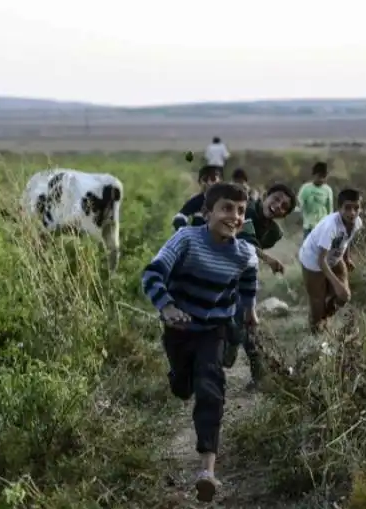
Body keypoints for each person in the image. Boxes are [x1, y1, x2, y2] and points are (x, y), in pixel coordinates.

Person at [142, 182, 259, 502]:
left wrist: (249, 310)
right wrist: (167, 306)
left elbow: (250, 278)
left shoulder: (243, 252)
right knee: (183, 386)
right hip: (178, 327)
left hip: (213, 329)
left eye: (240, 211)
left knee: (211, 387)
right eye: (226, 208)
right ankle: (180, 377)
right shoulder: (186, 240)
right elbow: (151, 274)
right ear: (207, 213)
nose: (234, 216)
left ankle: (207, 469)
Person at [224, 183, 296, 390]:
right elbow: (246, 243)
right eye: (275, 199)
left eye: (284, 206)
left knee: (248, 325)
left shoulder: (273, 232)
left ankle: (258, 375)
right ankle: (224, 353)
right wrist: (269, 260)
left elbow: (251, 251)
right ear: (265, 196)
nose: (277, 206)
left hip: (241, 275)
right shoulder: (246, 210)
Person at [297, 188, 363, 333]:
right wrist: (335, 283)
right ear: (339, 208)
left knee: (344, 296)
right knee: (317, 301)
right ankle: (315, 329)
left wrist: (347, 258)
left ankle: (323, 318)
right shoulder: (331, 226)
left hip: (334, 257)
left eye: (356, 208)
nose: (352, 213)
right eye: (347, 208)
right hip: (314, 260)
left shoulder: (357, 222)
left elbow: (347, 239)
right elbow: (321, 260)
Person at [172, 165, 223, 230]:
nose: (208, 183)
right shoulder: (196, 201)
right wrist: (185, 231)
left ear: (220, 181)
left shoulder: (227, 200)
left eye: (213, 179)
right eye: (205, 180)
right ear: (200, 182)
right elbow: (180, 216)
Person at [297, 161, 333, 241]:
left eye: (324, 176)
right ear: (314, 175)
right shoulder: (306, 188)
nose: (321, 179)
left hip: (322, 227)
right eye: (319, 176)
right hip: (309, 226)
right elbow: (300, 203)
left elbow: (329, 209)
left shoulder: (328, 190)